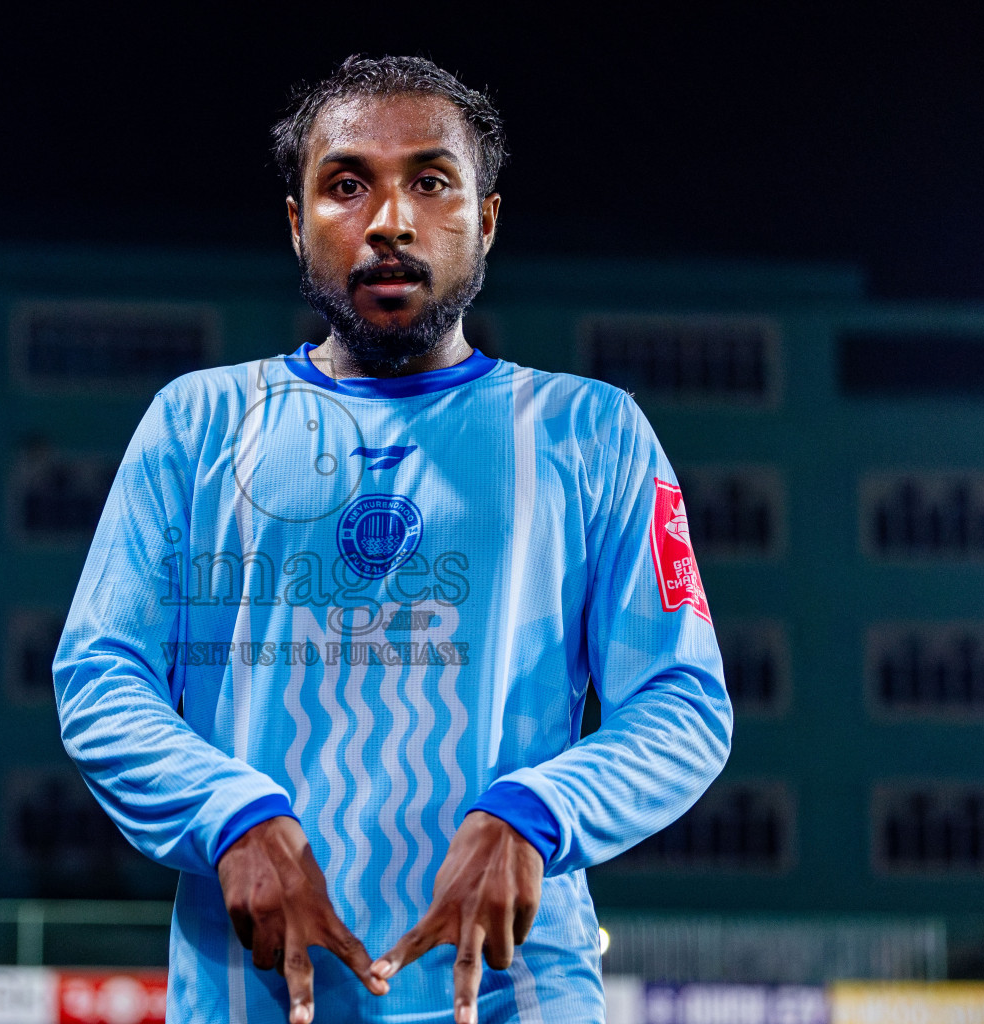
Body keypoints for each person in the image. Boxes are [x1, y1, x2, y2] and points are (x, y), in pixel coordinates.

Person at [53, 54, 732, 1024]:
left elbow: (682, 700)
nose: (389, 222)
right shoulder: (197, 424)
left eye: (429, 181)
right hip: (255, 992)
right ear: (297, 224)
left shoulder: (594, 434)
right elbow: (101, 676)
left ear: (485, 220)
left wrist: (538, 813)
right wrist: (229, 812)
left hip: (514, 993)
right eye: (345, 184)